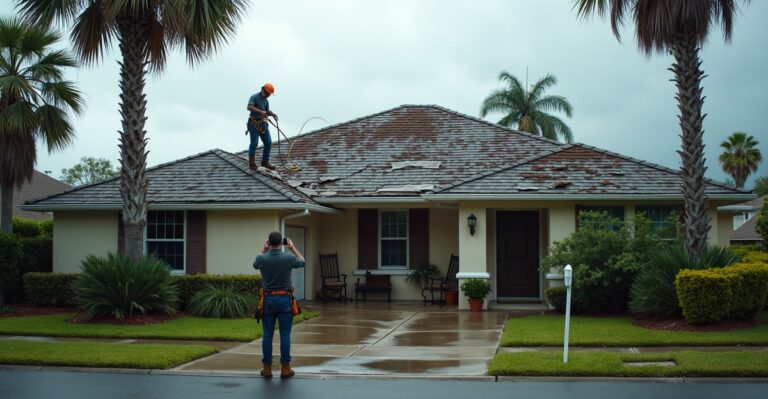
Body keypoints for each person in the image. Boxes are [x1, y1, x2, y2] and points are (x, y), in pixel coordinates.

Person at [253, 231, 305, 379]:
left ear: (269, 243)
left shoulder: (262, 258)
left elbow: (255, 264)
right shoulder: (288, 258)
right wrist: (293, 248)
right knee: (285, 334)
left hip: (268, 300)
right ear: (282, 243)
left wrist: (263, 249)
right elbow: (302, 261)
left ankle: (267, 368)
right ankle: (285, 368)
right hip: (284, 299)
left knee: (267, 335)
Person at [247, 83, 278, 170]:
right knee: (254, 143)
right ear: (263, 90)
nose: (268, 95)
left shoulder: (266, 101)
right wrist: (261, 112)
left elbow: (266, 111)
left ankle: (265, 162)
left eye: (269, 94)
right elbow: (249, 107)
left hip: (262, 123)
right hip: (254, 123)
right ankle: (251, 163)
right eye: (267, 93)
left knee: (268, 142)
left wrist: (271, 114)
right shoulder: (254, 97)